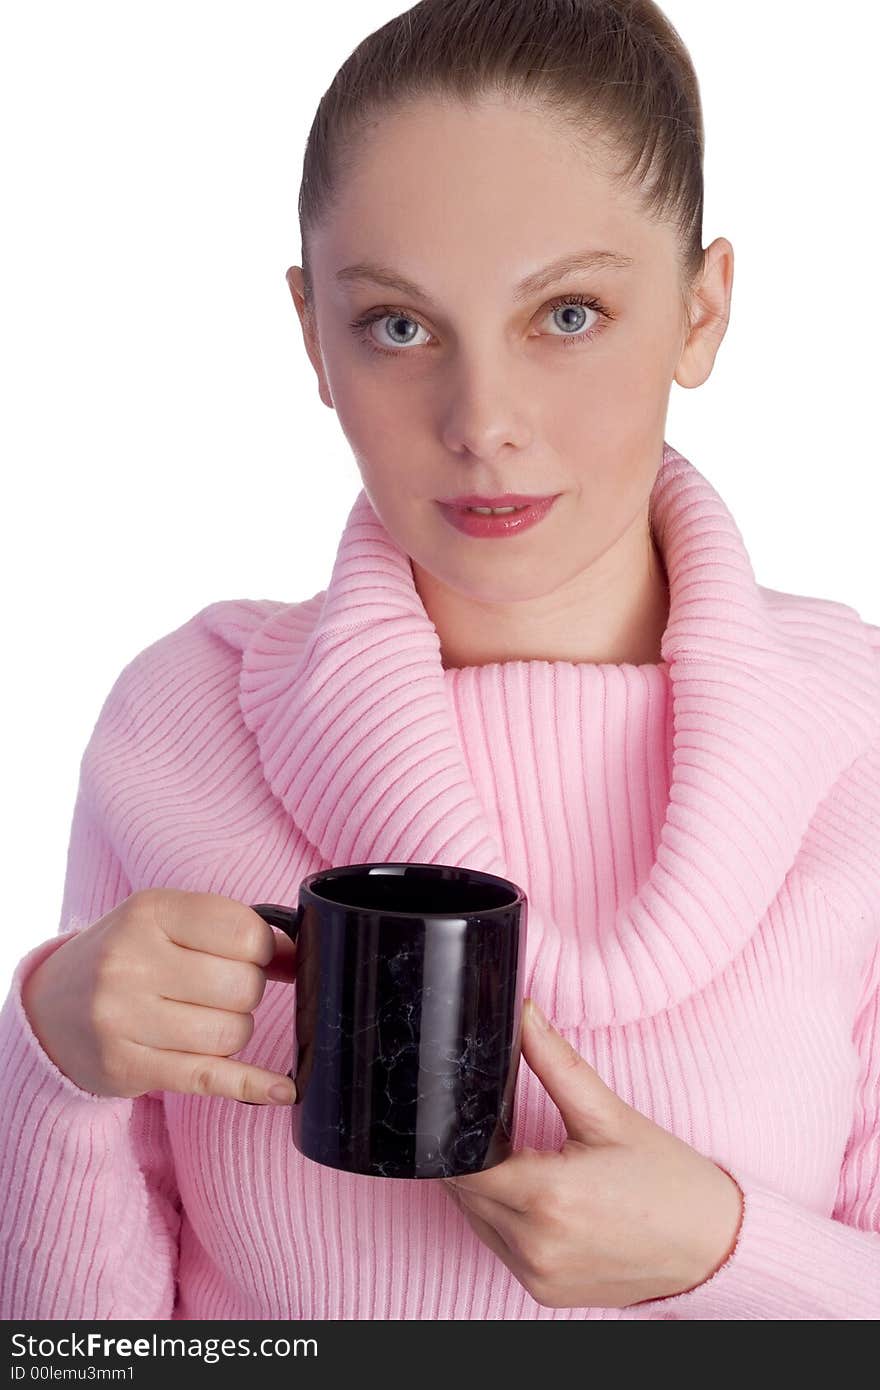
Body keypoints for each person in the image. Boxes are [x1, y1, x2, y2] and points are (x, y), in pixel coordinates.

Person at [1, 0, 878, 1322]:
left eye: (569, 313)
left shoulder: (855, 733)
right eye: (401, 327)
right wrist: (52, 1057)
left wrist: (726, 1253)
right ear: (313, 337)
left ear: (703, 312)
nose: (484, 423)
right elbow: (84, 1358)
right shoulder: (178, 722)